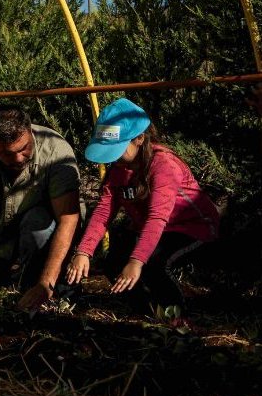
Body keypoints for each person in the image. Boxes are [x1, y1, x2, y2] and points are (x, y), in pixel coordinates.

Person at [66, 98, 220, 311]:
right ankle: (145, 308)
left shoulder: (164, 165)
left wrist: (137, 262)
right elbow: (103, 212)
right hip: (152, 229)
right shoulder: (118, 170)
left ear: (139, 138)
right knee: (113, 263)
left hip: (191, 227)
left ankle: (173, 314)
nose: (113, 158)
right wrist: (83, 251)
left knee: (154, 266)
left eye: (117, 149)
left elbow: (157, 218)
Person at [0, 104, 80, 311]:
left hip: (39, 233)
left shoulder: (56, 150)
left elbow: (68, 218)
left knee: (38, 223)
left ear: (30, 132)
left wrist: (45, 282)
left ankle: (36, 279)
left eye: (23, 149)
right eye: (6, 153)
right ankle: (5, 270)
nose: (18, 159)